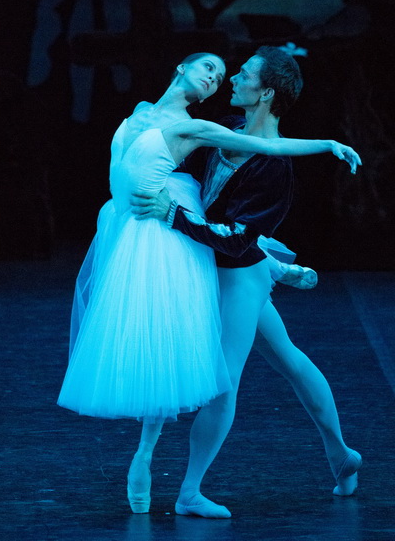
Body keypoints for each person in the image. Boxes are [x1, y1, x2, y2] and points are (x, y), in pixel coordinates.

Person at [130, 46, 362, 518]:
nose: (233, 78)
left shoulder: (275, 170)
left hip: (239, 276)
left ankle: (190, 491)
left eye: (244, 74)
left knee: (222, 383)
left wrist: (173, 216)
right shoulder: (229, 132)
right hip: (213, 268)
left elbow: (239, 240)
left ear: (266, 92)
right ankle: (342, 453)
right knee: (289, 360)